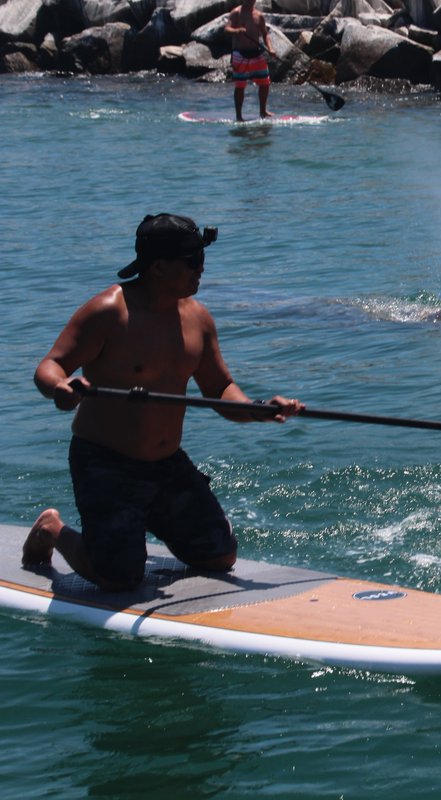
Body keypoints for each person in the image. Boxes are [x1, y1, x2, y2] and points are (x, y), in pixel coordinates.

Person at [22, 213, 304, 591]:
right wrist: (61, 386)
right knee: (118, 578)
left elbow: (220, 389)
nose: (201, 270)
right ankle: (52, 529)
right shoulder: (109, 311)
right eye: (192, 262)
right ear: (157, 266)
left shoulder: (198, 319)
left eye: (201, 260)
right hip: (106, 464)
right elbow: (50, 365)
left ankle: (140, 524)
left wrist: (258, 409)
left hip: (166, 465)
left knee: (219, 556)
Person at [225, 0, 276, 121]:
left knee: (265, 83)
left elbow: (265, 34)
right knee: (240, 85)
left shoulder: (259, 16)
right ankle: (239, 116)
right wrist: (236, 31)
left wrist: (270, 48)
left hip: (256, 53)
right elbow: (227, 28)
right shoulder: (236, 13)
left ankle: (263, 111)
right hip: (239, 54)